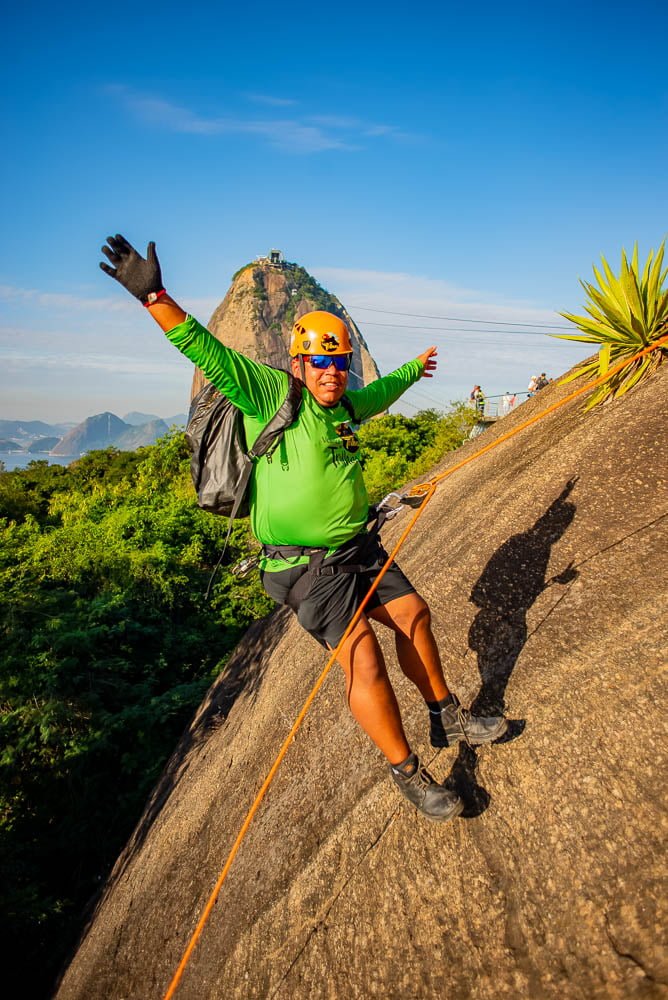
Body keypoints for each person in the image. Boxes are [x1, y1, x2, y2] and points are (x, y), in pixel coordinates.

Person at [100, 235, 508, 823]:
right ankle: (408, 773)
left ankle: (447, 714)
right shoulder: (271, 393)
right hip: (303, 566)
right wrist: (154, 296)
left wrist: (415, 370)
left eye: (339, 361)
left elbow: (381, 393)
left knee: (414, 615)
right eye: (321, 360)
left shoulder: (344, 405)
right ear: (299, 361)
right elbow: (206, 350)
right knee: (363, 660)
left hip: (359, 547)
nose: (332, 372)